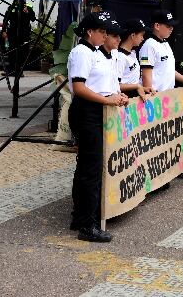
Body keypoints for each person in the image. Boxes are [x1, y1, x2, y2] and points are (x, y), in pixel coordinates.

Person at [67, 12, 127, 243]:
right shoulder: (82, 52)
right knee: (90, 169)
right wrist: (108, 100)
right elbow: (79, 88)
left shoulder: (96, 54)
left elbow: (101, 85)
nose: (105, 36)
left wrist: (115, 96)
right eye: (102, 31)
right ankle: (86, 224)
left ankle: (81, 216)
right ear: (90, 32)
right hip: (86, 111)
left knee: (89, 167)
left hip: (97, 110)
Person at [139, 9, 183, 94]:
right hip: (156, 97)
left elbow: (169, 70)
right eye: (168, 26)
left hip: (167, 97)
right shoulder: (149, 46)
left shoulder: (165, 43)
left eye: (172, 26)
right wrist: (150, 99)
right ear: (157, 26)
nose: (172, 28)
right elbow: (146, 75)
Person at [117, 19, 150, 99]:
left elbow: (132, 80)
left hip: (134, 100)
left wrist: (144, 88)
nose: (142, 38)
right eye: (141, 35)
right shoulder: (120, 57)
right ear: (133, 35)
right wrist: (137, 86)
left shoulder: (132, 53)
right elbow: (115, 86)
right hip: (123, 99)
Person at [4, 0, 36, 76]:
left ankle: (19, 71)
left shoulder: (28, 6)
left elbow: (33, 18)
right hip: (12, 32)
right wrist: (3, 30)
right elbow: (5, 19)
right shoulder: (11, 7)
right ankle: (10, 70)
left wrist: (28, 12)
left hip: (23, 33)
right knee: (11, 51)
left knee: (21, 52)